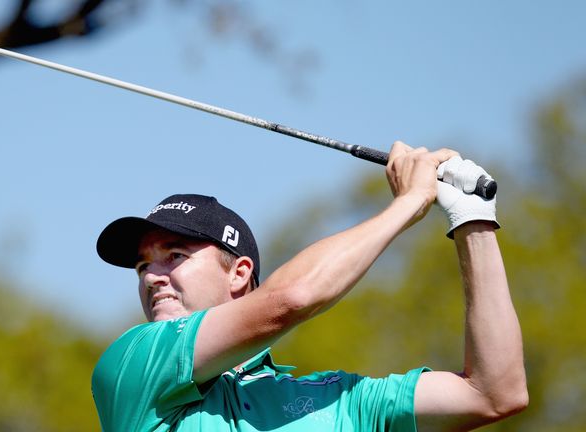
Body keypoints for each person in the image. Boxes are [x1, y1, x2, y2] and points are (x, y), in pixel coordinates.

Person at [91, 142, 527, 431]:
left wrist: (473, 220)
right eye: (142, 266)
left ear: (239, 273)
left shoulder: (337, 403)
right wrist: (410, 202)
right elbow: (291, 299)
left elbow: (494, 393)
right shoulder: (132, 362)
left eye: (175, 257)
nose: (151, 276)